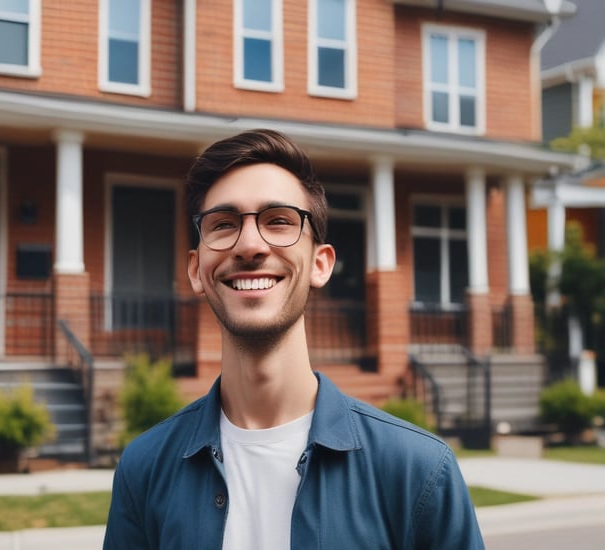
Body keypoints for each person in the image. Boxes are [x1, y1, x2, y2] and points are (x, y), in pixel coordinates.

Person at [103, 129, 484, 549]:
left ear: (321, 264)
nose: (249, 245)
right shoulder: (143, 469)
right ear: (196, 270)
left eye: (279, 221)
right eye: (224, 224)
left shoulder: (419, 471)